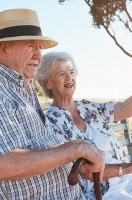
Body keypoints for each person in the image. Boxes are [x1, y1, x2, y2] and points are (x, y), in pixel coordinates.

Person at [36, 51, 132, 200]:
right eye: (61, 74)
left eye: (71, 72)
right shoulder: (52, 124)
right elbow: (86, 171)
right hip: (101, 191)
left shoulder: (87, 108)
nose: (69, 78)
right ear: (47, 82)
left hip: (128, 181)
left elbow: (122, 109)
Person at [0, 9, 106, 199]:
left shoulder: (24, 87)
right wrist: (74, 149)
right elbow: (3, 164)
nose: (38, 55)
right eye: (30, 46)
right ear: (3, 49)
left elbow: (42, 148)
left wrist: (79, 161)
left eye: (40, 47)